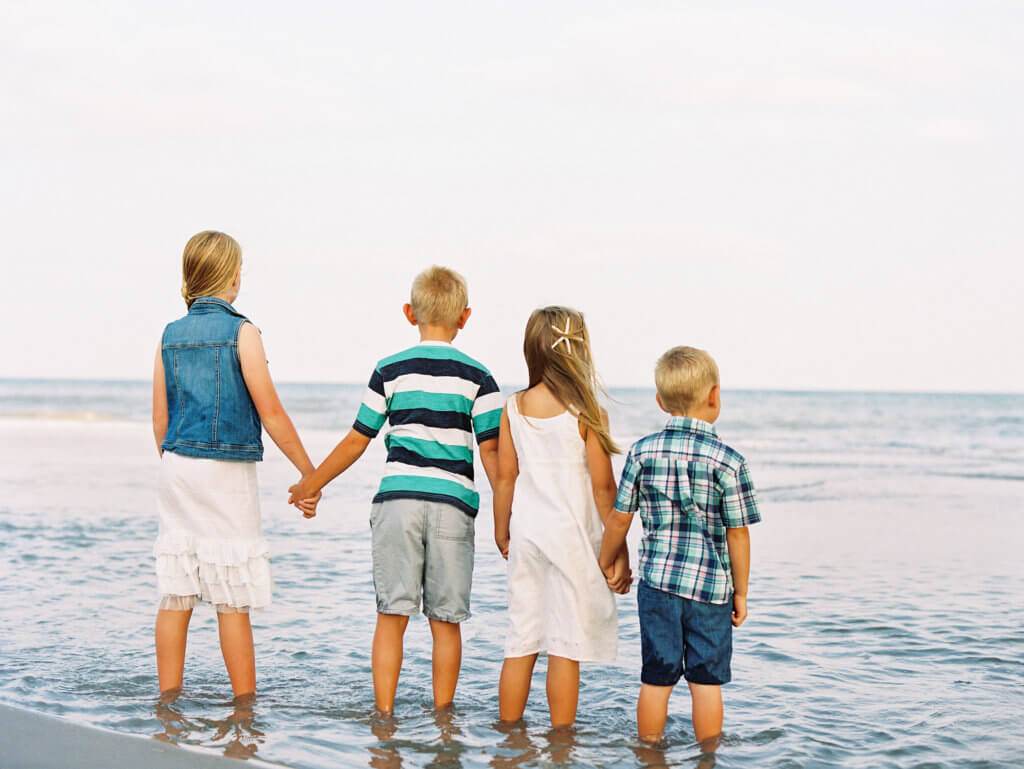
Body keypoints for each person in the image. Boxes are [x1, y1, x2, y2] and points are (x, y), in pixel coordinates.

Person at [288, 266, 502, 713]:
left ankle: (383, 716)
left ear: (410, 313)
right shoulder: (480, 378)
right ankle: (443, 720)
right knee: (446, 622)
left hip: (397, 502)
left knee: (391, 617)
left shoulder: (390, 370)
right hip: (452, 506)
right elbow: (493, 457)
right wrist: (507, 517)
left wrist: (312, 483)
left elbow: (356, 440)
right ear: (465, 317)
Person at [152, 230, 320, 698]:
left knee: (177, 591)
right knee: (231, 597)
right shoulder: (243, 332)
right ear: (232, 277)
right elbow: (271, 412)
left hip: (177, 467)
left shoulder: (169, 336)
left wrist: (177, 466)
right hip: (226, 474)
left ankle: (168, 699)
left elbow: (160, 418)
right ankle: (243, 706)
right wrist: (309, 473)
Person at [598, 346, 761, 746]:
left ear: (660, 402)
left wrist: (606, 560)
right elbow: (738, 533)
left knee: (657, 677)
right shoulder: (729, 461)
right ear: (714, 396)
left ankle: (649, 754)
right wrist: (741, 591)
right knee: (706, 682)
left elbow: (621, 516)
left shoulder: (642, 451)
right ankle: (707, 757)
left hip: (657, 586)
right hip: (710, 590)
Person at [493, 306, 632, 728]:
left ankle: (510, 738)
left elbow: (505, 478)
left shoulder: (513, 407)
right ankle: (560, 742)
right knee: (563, 645)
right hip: (571, 538)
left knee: (522, 639)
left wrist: (502, 530)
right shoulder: (588, 413)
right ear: (579, 351)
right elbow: (604, 490)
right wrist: (618, 550)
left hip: (528, 536)